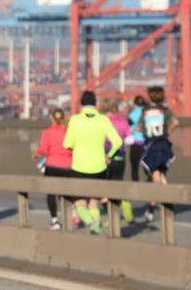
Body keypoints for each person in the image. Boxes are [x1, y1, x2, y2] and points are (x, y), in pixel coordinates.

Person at [63, 90, 122, 235]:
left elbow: (67, 144)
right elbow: (118, 142)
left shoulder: (75, 120)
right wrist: (109, 156)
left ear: (81, 103)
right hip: (99, 167)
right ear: (95, 103)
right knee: (94, 202)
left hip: (79, 167)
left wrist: (75, 145)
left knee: (79, 202)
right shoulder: (103, 120)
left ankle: (91, 223)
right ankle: (95, 230)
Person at [138, 85, 179, 222]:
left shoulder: (145, 111)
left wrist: (141, 131)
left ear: (150, 96)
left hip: (151, 145)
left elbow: (139, 128)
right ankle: (162, 204)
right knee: (160, 176)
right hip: (163, 144)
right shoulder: (165, 110)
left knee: (155, 177)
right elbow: (175, 122)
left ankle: (154, 209)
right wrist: (167, 132)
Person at [33, 108, 72, 230]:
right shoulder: (68, 131)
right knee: (65, 192)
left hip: (52, 165)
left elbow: (43, 150)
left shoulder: (47, 132)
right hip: (68, 165)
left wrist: (36, 154)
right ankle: (69, 217)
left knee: (51, 194)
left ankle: (54, 220)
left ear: (52, 118)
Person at [101, 100, 135, 223]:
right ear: (114, 109)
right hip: (121, 157)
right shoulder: (123, 121)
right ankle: (124, 202)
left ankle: (112, 217)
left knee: (102, 189)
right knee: (116, 185)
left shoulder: (101, 122)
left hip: (105, 158)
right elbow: (130, 139)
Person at [127, 95, 148, 181]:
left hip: (135, 145)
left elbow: (129, 130)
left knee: (134, 169)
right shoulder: (147, 113)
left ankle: (135, 190)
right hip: (147, 144)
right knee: (147, 168)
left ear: (135, 104)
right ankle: (151, 188)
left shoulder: (132, 115)